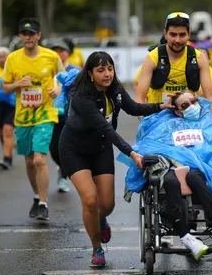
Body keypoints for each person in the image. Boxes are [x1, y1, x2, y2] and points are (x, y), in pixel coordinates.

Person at [58, 51, 174, 268]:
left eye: (110, 68)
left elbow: (134, 108)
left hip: (100, 148)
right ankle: (97, 249)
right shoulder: (82, 97)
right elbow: (105, 128)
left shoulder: (116, 90)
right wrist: (132, 153)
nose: (107, 74)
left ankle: (100, 220)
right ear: (91, 74)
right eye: (101, 70)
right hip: (74, 150)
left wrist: (161, 106)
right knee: (90, 200)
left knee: (107, 205)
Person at [121, 90, 212, 261]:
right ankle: (187, 238)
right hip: (172, 169)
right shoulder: (166, 125)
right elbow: (149, 145)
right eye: (185, 105)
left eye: (194, 101)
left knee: (193, 177)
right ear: (177, 111)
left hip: (201, 170)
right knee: (169, 181)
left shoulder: (209, 124)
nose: (192, 106)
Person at [3, 17, 64, 221]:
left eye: (31, 34)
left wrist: (57, 89)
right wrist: (18, 84)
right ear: (20, 36)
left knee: (39, 159)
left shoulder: (51, 56)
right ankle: (37, 198)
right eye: (24, 34)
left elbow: (64, 79)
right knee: (29, 161)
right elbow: (5, 87)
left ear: (38, 36)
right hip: (23, 116)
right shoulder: (12, 59)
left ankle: (44, 204)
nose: (28, 37)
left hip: (45, 113)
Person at [136, 12, 212, 119]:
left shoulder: (199, 58)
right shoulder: (153, 58)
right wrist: (145, 122)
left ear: (189, 34)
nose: (177, 40)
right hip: (158, 119)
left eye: (182, 35)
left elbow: (210, 96)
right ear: (165, 34)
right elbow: (140, 97)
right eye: (173, 34)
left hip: (189, 118)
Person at [50, 40, 81, 192]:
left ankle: (63, 175)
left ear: (67, 53)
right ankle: (62, 168)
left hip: (69, 116)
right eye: (55, 50)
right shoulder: (49, 69)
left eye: (61, 50)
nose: (58, 53)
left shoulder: (74, 70)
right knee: (53, 150)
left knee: (66, 148)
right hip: (50, 115)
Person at [0, 47, 15, 169]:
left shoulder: (13, 69)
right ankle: (8, 152)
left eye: (4, 56)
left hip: (12, 105)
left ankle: (7, 158)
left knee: (8, 130)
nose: (2, 59)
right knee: (1, 131)